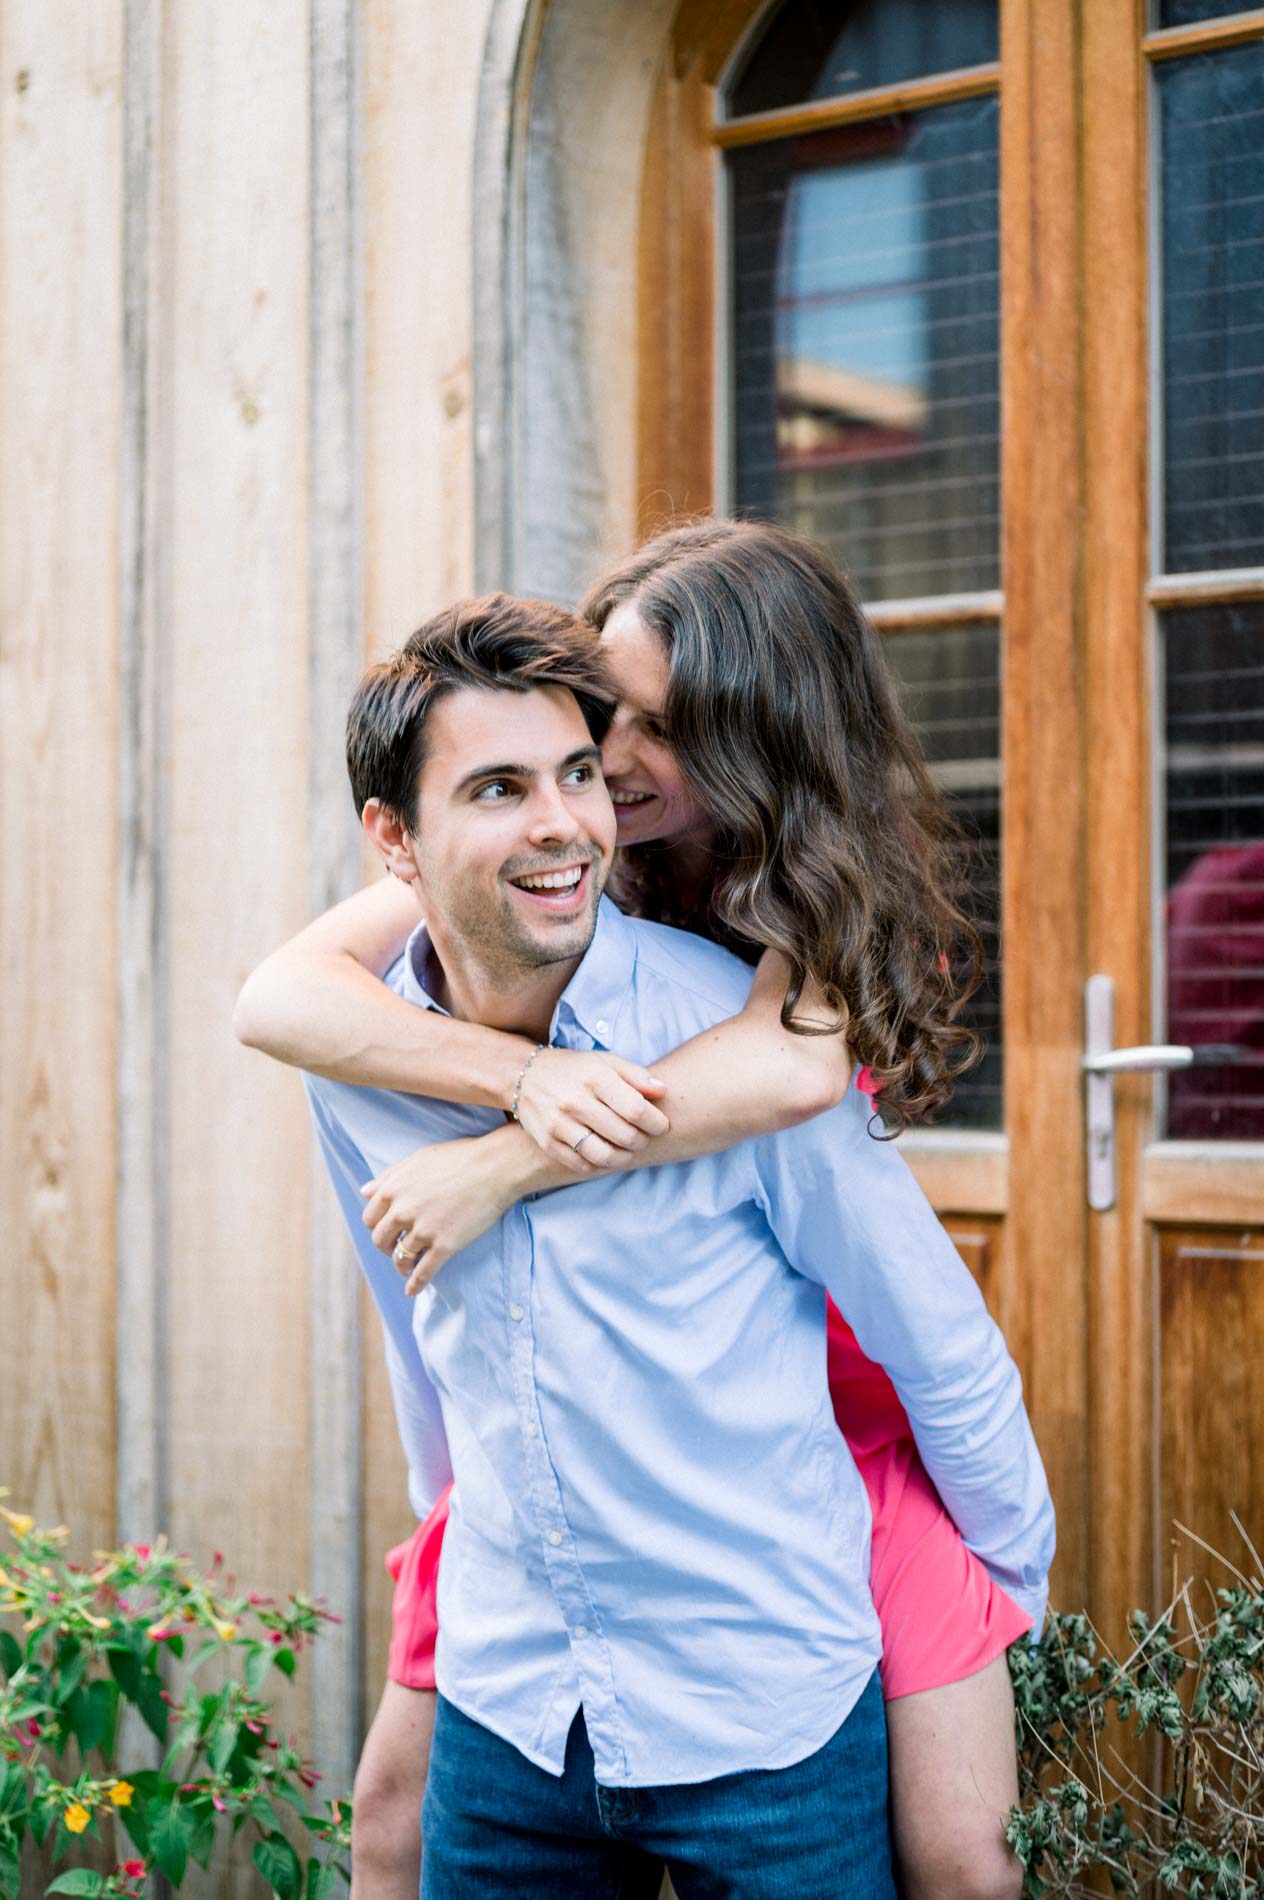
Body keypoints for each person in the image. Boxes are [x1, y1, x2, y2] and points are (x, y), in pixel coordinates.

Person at [236, 524, 1053, 1897]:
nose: (599, 774)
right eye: (596, 721)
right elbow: (283, 1002)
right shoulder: (512, 878)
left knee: (962, 1855)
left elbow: (798, 1093)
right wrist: (520, 1079)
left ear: (751, 744)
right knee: (392, 1811)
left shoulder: (797, 928)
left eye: (640, 736)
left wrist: (503, 1158)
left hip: (823, 1424)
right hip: (548, 1520)